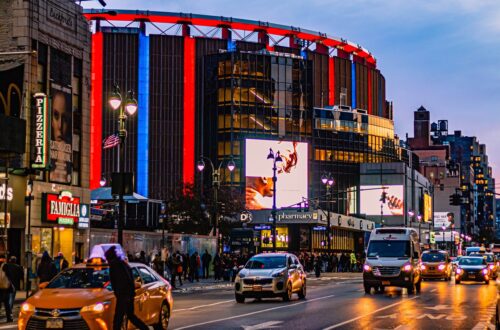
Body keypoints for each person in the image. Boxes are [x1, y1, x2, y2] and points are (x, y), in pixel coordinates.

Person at [104, 246, 148, 330]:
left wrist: (120, 293)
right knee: (130, 316)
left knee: (118, 318)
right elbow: (129, 279)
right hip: (128, 294)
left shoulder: (115, 265)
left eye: (107, 257)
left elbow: (119, 281)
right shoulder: (123, 264)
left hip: (123, 295)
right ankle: (145, 328)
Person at [0, 257, 13, 322]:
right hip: (5, 287)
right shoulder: (5, 265)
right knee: (7, 303)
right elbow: (9, 275)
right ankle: (9, 318)